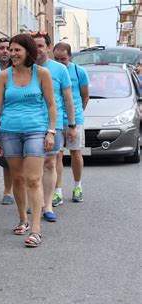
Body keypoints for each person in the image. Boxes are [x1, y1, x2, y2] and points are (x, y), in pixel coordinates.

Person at [0, 33, 57, 247]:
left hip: (36, 131)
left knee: (33, 179)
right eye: (11, 49)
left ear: (28, 51)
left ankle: (36, 229)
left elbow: (51, 105)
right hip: (9, 132)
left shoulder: (42, 74)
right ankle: (23, 219)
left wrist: (51, 131)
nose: (12, 53)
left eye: (17, 49)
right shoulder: (3, 76)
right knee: (17, 178)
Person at [31, 31, 77, 222]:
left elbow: (68, 99)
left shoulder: (59, 70)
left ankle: (47, 205)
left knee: (50, 163)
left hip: (53, 125)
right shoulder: (24, 69)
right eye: (34, 46)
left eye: (41, 46)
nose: (37, 50)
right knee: (32, 169)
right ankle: (34, 202)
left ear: (48, 48)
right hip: (30, 125)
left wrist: (72, 125)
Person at [53, 42, 90, 204]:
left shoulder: (78, 71)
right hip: (57, 118)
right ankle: (57, 192)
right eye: (56, 58)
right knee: (56, 155)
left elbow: (85, 95)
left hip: (74, 119)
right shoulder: (50, 70)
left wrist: (77, 116)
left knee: (75, 153)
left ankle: (77, 187)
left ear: (70, 57)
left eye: (63, 59)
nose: (60, 62)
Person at [0, 37, 15, 205]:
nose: (5, 51)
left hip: (9, 119)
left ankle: (9, 191)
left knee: (8, 159)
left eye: (8, 48)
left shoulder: (16, 69)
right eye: (2, 48)